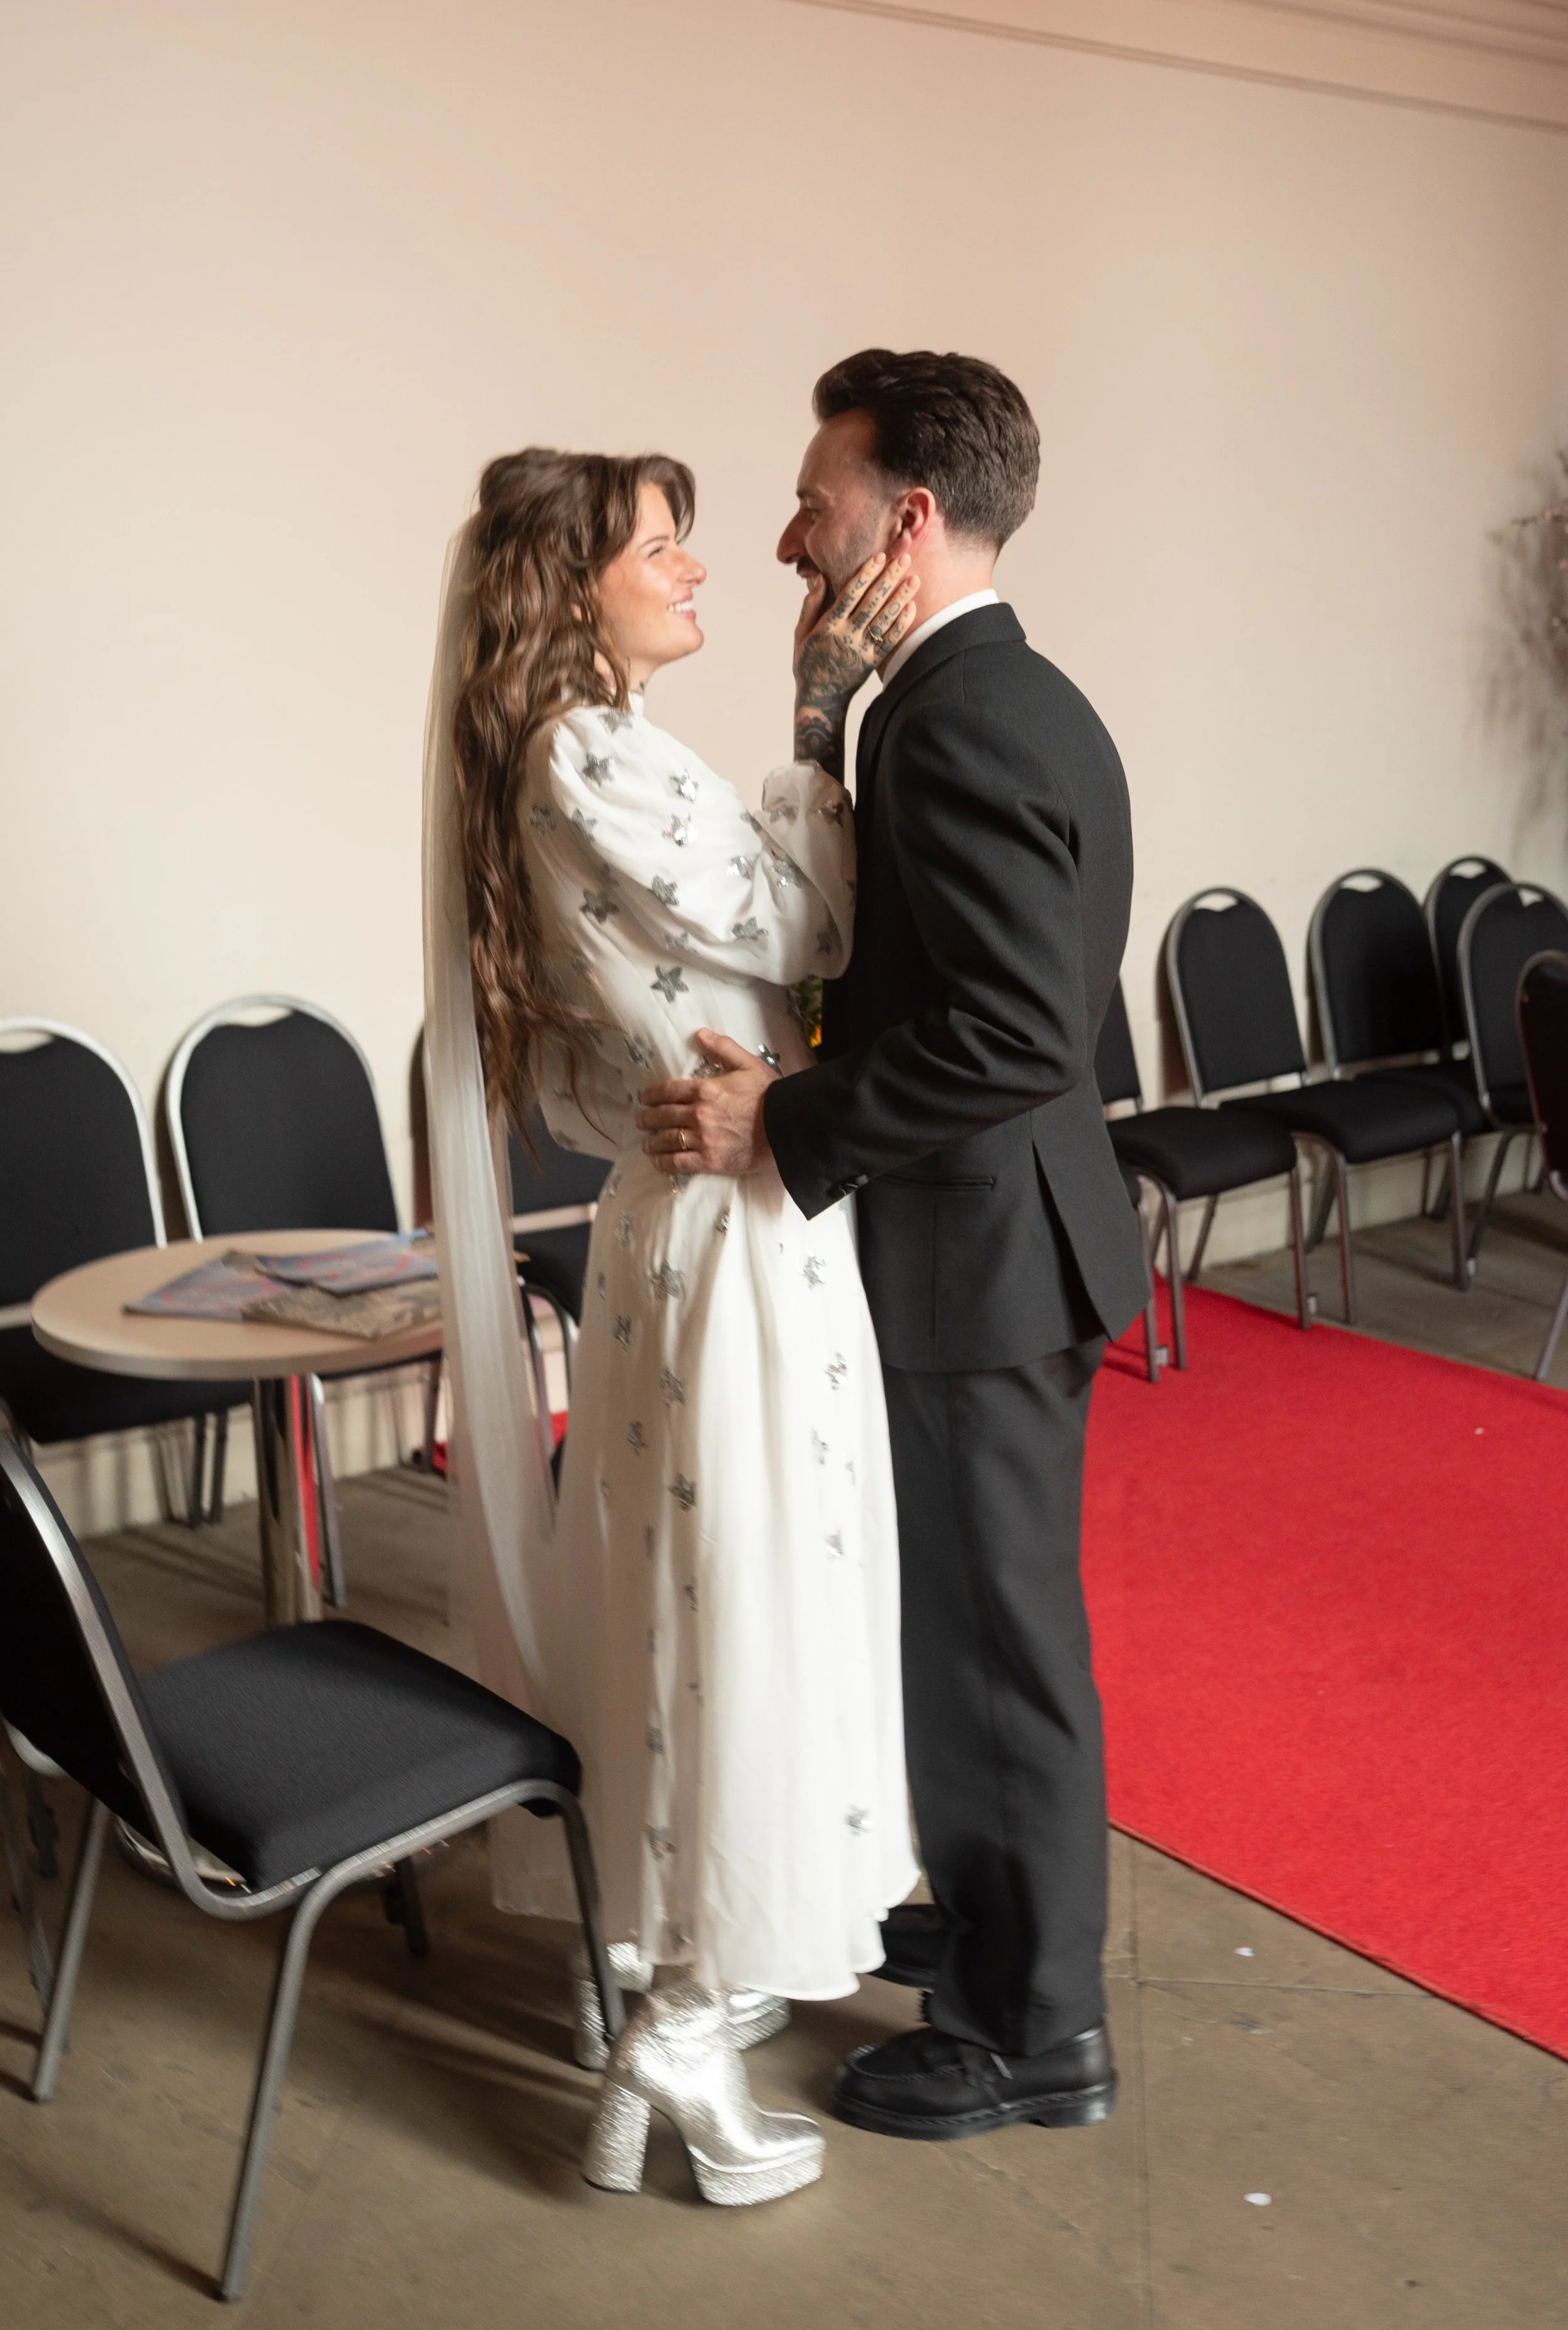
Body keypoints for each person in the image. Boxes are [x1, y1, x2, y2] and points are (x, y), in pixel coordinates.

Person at [637, 350, 1147, 2143]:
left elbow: (1018, 1030)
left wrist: (782, 1122)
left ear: (905, 518)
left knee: (997, 1649)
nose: (788, 533)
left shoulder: (963, 719)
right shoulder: (981, 698)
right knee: (968, 1632)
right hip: (996, 1238)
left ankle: (1034, 2033)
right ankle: (997, 1932)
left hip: (981, 1254)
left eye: (816, 500)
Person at [420, 446, 921, 2206]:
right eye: (659, 544)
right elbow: (806, 921)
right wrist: (820, 709)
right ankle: (688, 2030)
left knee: (696, 1592)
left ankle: (661, 1973)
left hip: (717, 1208)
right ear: (570, 592)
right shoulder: (583, 752)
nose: (698, 565)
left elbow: (759, 964)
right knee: (741, 1597)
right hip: (725, 1228)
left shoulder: (604, 748)